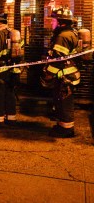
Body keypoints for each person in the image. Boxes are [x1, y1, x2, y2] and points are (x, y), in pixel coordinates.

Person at [41, 7, 81, 138]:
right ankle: (62, 125)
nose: (52, 23)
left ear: (60, 22)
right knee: (61, 101)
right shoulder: (70, 33)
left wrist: (48, 75)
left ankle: (67, 130)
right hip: (66, 74)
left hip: (64, 76)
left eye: (53, 20)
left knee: (64, 103)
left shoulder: (63, 36)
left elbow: (58, 60)